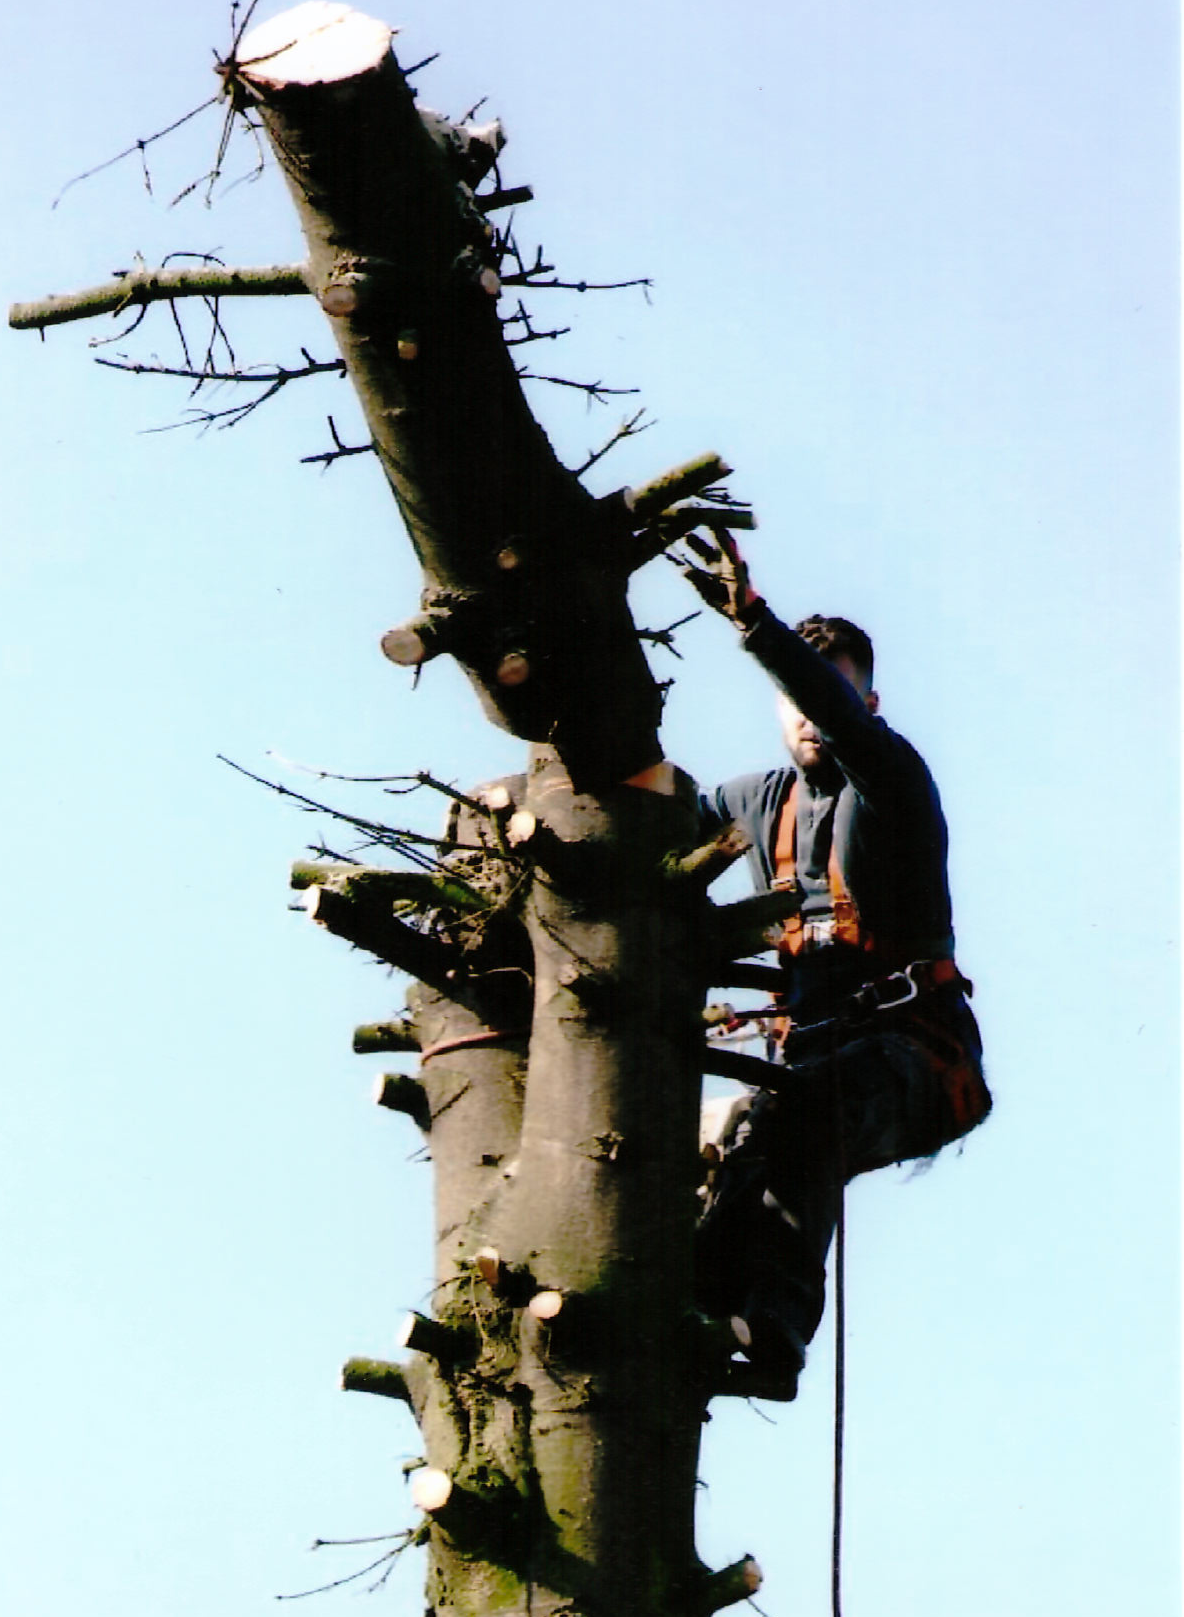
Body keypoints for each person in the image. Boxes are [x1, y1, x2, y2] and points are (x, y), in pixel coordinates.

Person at [681, 533, 991, 1400]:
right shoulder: (755, 804)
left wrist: (755, 625)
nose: (810, 714)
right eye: (793, 698)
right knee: (748, 1148)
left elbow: (845, 721)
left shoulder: (890, 782)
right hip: (806, 1073)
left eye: (829, 693)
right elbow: (660, 818)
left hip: (916, 1058)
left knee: (803, 1113)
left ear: (867, 700)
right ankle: (697, 1312)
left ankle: (774, 1327)